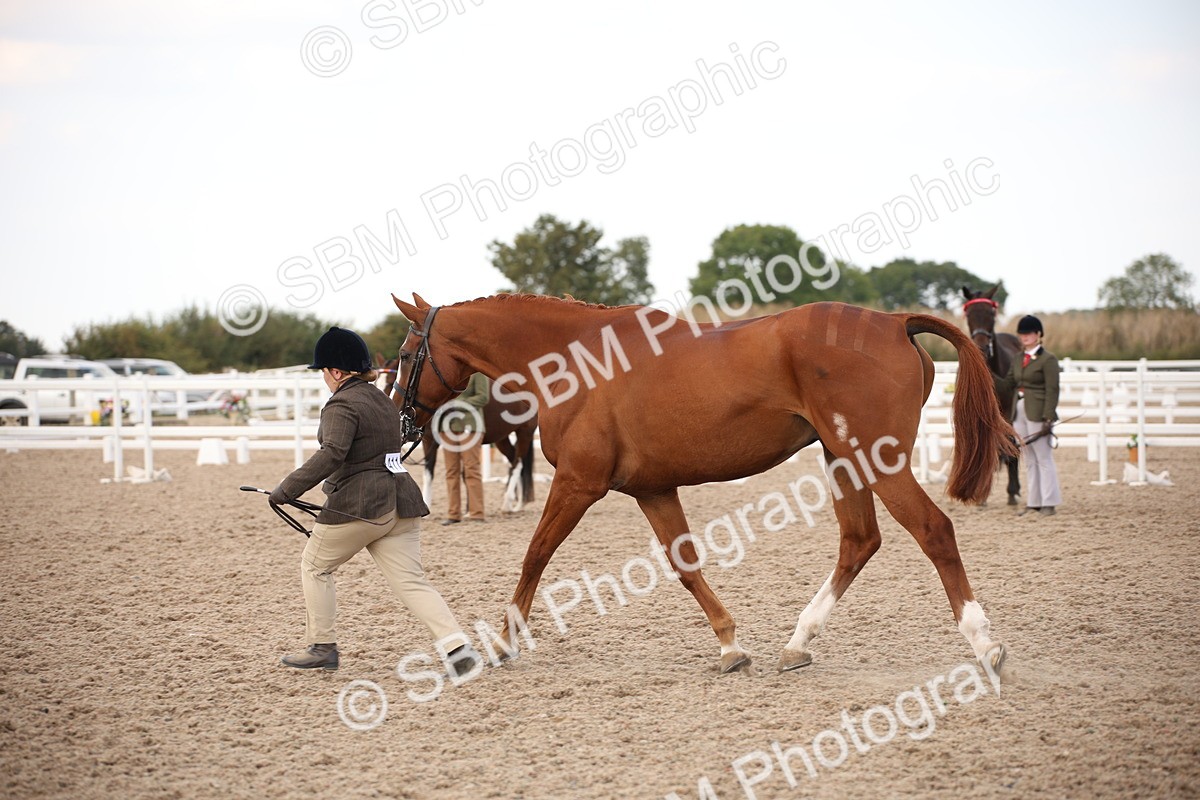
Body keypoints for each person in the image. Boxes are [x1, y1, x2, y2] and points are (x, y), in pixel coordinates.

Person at [270, 326, 480, 675]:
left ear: (335, 371)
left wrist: (287, 489)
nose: (324, 378)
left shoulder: (341, 404)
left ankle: (322, 646)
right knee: (412, 580)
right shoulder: (382, 399)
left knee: (315, 566)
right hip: (401, 503)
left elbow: (333, 452)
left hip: (362, 506)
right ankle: (457, 648)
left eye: (323, 371)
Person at [994, 314, 1062, 516]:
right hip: (1019, 411)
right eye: (1022, 334)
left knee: (1043, 457)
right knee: (1030, 458)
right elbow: (1008, 384)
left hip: (1038, 411)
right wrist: (987, 373)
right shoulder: (1017, 359)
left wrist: (1049, 417)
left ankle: (1049, 502)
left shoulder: (1048, 360)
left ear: (1038, 334)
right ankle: (1034, 502)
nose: (1025, 337)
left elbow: (1053, 390)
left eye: (1029, 333)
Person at [441, 372, 489, 526]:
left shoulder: (477, 373)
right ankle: (453, 513)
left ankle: (477, 513)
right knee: (451, 471)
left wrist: (458, 404)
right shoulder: (444, 372)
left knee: (471, 469)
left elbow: (483, 397)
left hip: (470, 424)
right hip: (447, 426)